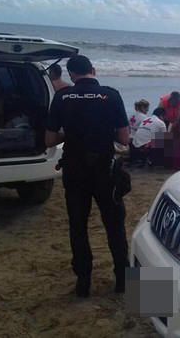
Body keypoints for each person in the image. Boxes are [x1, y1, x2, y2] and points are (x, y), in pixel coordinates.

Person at [44, 55, 130, 297]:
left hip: (75, 171)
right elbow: (124, 139)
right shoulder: (110, 95)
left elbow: (49, 140)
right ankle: (122, 280)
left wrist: (69, 133)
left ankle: (83, 282)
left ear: (71, 75)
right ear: (93, 70)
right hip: (105, 170)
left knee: (78, 227)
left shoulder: (62, 97)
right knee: (115, 226)